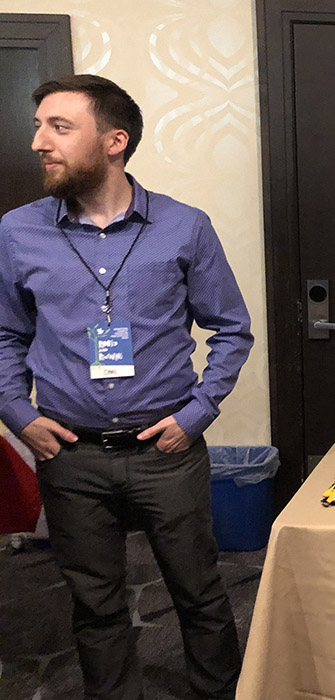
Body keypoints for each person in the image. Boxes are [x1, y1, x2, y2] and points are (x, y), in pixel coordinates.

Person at [0, 75, 253, 700]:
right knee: (95, 605)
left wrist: (197, 414)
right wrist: (17, 415)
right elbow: (4, 335)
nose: (39, 142)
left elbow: (231, 328)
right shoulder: (17, 231)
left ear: (116, 141)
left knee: (199, 591)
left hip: (165, 453)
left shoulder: (184, 227)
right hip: (70, 456)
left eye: (59, 127)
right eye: (39, 126)